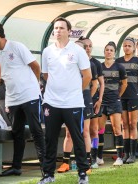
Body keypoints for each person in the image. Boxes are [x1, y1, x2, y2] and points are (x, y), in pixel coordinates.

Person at [0, 23, 46, 177]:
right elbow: (2, 78)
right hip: (13, 100)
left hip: (30, 96)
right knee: (17, 133)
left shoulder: (17, 46)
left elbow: (35, 66)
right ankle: (16, 167)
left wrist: (36, 85)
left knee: (35, 130)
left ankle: (46, 167)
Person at [40, 17, 91, 184]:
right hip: (51, 102)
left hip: (73, 103)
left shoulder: (78, 51)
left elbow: (87, 76)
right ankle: (48, 175)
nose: (58, 31)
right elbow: (46, 75)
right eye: (56, 28)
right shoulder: (47, 51)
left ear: (69, 31)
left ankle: (83, 174)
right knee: (50, 139)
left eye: (62, 28)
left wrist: (75, 91)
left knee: (77, 137)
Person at [57, 40, 98, 173]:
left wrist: (87, 98)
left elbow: (95, 84)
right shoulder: (65, 63)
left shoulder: (89, 64)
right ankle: (65, 163)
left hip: (84, 99)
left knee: (85, 131)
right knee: (69, 133)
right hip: (69, 100)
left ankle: (87, 163)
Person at [116, 37, 138, 164]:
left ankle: (133, 155)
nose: (127, 47)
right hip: (121, 97)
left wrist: (135, 90)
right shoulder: (118, 62)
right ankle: (126, 154)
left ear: (134, 47)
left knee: (133, 124)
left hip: (134, 97)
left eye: (129, 45)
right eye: (125, 45)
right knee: (125, 125)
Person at [98, 41, 128, 166]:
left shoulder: (119, 67)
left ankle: (119, 158)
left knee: (117, 130)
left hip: (114, 102)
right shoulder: (99, 66)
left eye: (111, 50)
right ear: (104, 52)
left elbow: (125, 84)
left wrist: (118, 96)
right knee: (99, 130)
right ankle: (98, 157)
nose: (108, 52)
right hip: (101, 102)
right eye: (107, 50)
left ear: (114, 53)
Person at [79, 37, 105, 168]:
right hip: (80, 99)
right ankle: (85, 157)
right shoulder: (76, 61)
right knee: (84, 131)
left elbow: (100, 84)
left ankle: (94, 156)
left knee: (94, 130)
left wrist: (99, 99)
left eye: (90, 45)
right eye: (85, 46)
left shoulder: (95, 63)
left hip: (92, 101)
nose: (88, 48)